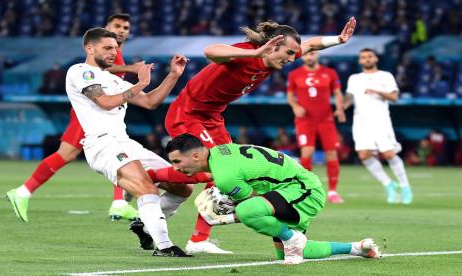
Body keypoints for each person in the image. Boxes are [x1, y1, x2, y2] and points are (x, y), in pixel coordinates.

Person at [161, 17, 357, 254]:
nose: (292, 58)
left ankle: (198, 238)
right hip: (189, 113)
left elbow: (312, 44)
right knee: (217, 171)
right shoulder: (248, 53)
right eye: (289, 52)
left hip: (213, 116)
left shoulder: (275, 57)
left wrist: (339, 39)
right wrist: (255, 55)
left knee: (227, 172)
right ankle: (147, 181)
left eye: (295, 53)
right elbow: (210, 51)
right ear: (273, 45)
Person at [64, 27, 193, 256]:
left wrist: (173, 75)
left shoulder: (113, 79)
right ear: (89, 48)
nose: (113, 52)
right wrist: (140, 83)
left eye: (115, 48)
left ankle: (144, 225)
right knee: (146, 188)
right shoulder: (80, 71)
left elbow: (150, 102)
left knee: (182, 186)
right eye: (107, 48)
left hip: (126, 143)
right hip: (102, 145)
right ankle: (164, 247)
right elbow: (104, 102)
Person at [6, 13, 145, 222]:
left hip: (108, 114)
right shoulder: (104, 52)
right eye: (117, 26)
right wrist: (132, 69)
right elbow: (100, 70)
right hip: (91, 113)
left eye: (125, 27)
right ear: (106, 27)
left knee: (117, 150)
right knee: (68, 154)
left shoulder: (117, 52)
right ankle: (23, 191)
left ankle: (119, 203)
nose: (122, 30)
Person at [166, 133, 381, 264]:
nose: (176, 168)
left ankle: (291, 237)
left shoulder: (225, 178)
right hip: (288, 188)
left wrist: (228, 217)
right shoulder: (221, 150)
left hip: (301, 188)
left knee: (247, 211)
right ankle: (357, 248)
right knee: (298, 251)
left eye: (177, 161)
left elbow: (253, 202)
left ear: (195, 155)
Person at [344, 48, 413, 204]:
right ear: (360, 61)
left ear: (376, 59)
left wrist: (377, 91)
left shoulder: (385, 76)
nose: (367, 59)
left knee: (388, 154)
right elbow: (349, 97)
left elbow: (394, 96)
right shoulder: (354, 78)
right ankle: (389, 185)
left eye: (369, 56)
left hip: (381, 122)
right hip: (361, 122)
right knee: (364, 155)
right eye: (363, 57)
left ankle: (405, 187)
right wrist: (342, 106)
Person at [286, 51, 346, 203]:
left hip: (326, 119)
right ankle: (308, 189)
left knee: (331, 153)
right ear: (303, 57)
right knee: (307, 151)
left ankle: (333, 191)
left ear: (317, 55)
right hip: (305, 120)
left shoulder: (329, 73)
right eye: (306, 55)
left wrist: (339, 108)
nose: (309, 57)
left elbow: (338, 93)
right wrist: (295, 106)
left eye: (312, 54)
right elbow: (290, 96)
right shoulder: (294, 74)